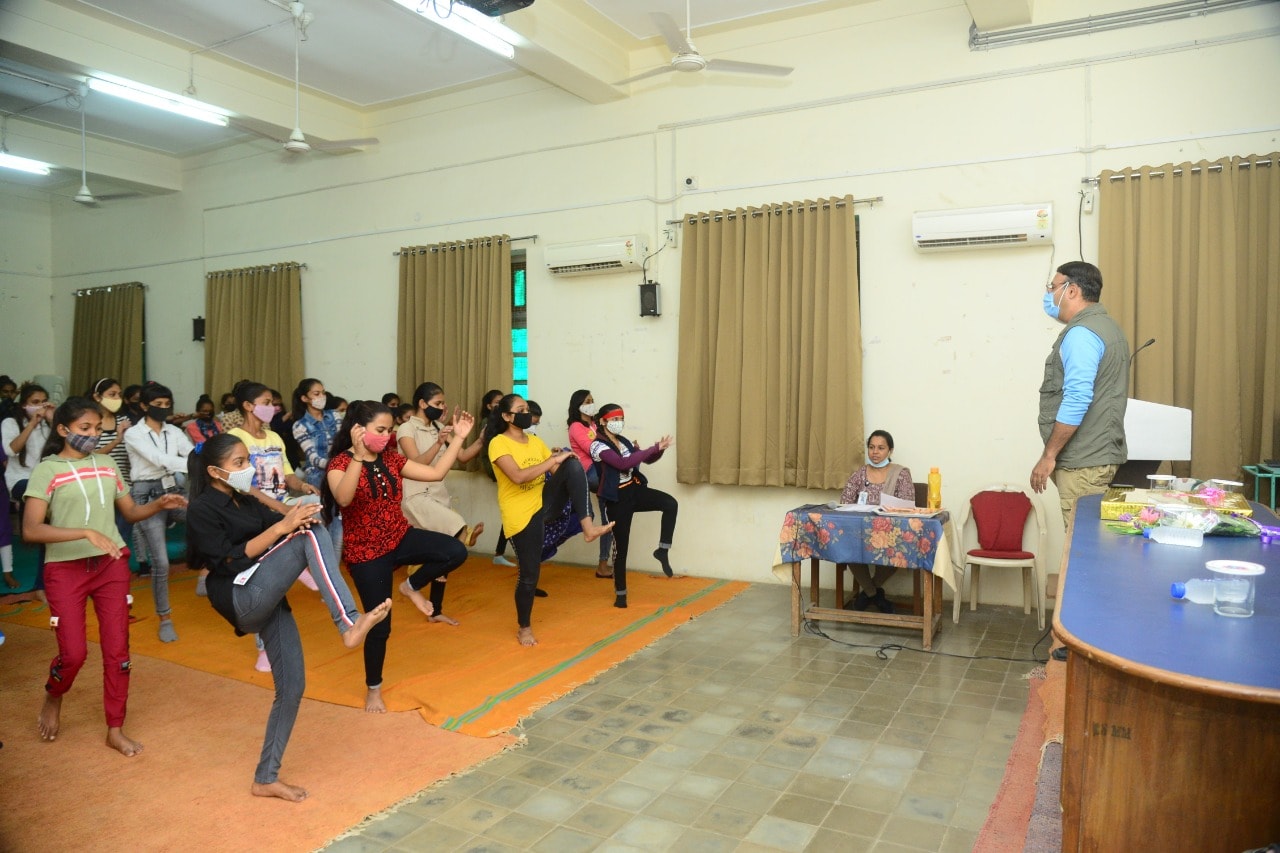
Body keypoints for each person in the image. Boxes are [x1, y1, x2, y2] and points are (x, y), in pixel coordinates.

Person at [185, 433, 390, 801]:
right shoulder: (202, 509)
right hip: (239, 596)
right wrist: (283, 527)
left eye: (247, 460)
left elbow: (281, 526)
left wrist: (299, 515)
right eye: (238, 463)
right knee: (306, 536)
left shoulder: (244, 498)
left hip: (266, 596)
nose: (247, 468)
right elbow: (228, 560)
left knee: (292, 688)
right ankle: (348, 622)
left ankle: (265, 778)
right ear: (215, 471)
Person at [23, 397, 186, 756]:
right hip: (65, 570)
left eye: (98, 428)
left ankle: (115, 728)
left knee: (118, 651)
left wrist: (158, 505)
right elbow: (31, 529)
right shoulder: (48, 470)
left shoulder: (108, 464)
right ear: (63, 430)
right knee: (74, 654)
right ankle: (54, 694)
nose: (94, 434)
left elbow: (130, 512)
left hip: (110, 565)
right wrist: (84, 533)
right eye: (85, 428)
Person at [324, 400, 474, 712]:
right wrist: (358, 457)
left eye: (389, 430)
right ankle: (374, 688)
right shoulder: (340, 463)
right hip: (367, 553)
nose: (386, 436)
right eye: (380, 430)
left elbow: (435, 473)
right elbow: (344, 498)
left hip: (399, 536)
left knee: (455, 550)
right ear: (358, 430)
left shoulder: (392, 459)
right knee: (380, 626)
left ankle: (410, 586)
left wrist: (458, 438)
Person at [486, 394, 613, 646]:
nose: (526, 413)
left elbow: (556, 472)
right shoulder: (498, 443)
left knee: (573, 465)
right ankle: (524, 627)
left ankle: (587, 527)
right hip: (521, 515)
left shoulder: (535, 441)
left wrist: (560, 460)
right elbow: (518, 477)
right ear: (507, 416)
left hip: (545, 504)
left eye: (527, 409)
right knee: (529, 575)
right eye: (521, 409)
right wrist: (551, 460)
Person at [1030, 261, 1129, 527]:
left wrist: (1048, 456)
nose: (1049, 294)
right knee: (1095, 540)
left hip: (1083, 464)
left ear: (1072, 290)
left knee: (1081, 543)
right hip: (1096, 457)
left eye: (1053, 287)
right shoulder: (1108, 327)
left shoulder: (1081, 334)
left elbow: (1077, 398)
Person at [590, 405, 678, 608]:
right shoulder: (597, 445)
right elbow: (622, 464)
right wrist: (651, 449)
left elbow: (645, 458)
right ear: (602, 421)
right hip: (616, 499)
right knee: (621, 549)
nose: (618, 422)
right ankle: (620, 594)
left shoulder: (623, 441)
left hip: (633, 490)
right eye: (614, 419)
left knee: (670, 504)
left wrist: (659, 450)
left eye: (621, 418)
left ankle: (662, 550)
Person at [123, 382, 192, 641]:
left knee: (207, 518)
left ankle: (205, 573)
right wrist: (197, 463)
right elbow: (159, 459)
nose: (163, 408)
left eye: (167, 404)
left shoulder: (174, 431)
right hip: (147, 496)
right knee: (161, 562)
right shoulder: (134, 433)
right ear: (144, 406)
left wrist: (203, 459)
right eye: (158, 404)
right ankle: (165, 618)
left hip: (174, 489)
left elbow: (191, 453)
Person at [396, 381, 484, 547]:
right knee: (458, 527)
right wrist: (438, 444)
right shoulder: (407, 428)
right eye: (438, 403)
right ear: (422, 403)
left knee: (438, 546)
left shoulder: (438, 426)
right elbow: (416, 463)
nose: (442, 407)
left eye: (443, 403)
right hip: (416, 496)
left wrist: (481, 440)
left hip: (439, 494)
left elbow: (462, 456)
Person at [838, 429, 915, 612]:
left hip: (890, 531)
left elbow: (907, 504)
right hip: (860, 531)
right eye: (871, 447)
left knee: (902, 545)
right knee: (847, 543)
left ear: (890, 450)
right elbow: (845, 502)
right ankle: (874, 594)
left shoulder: (901, 474)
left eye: (881, 448)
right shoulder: (859, 474)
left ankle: (868, 592)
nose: (875, 452)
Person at [228, 381, 317, 506]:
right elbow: (240, 485)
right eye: (267, 403)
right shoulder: (235, 437)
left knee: (318, 502)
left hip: (283, 502)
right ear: (248, 406)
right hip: (253, 507)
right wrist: (281, 508)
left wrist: (303, 486)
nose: (272, 407)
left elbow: (288, 474)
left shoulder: (274, 437)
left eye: (272, 403)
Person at [567, 389, 614, 579]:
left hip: (603, 472)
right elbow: (593, 449)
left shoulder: (595, 424)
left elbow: (609, 444)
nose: (591, 403)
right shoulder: (576, 427)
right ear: (578, 405)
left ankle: (603, 565)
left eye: (592, 400)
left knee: (608, 518)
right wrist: (613, 446)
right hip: (590, 473)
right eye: (587, 401)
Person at [87, 378, 136, 556]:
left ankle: (117, 561)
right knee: (102, 531)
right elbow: (90, 455)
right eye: (112, 394)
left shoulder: (123, 420)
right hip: (98, 484)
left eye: (119, 395)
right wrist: (116, 440)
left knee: (122, 532)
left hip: (124, 484)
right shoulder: (91, 423)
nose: (117, 398)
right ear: (97, 397)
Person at [2, 383, 54, 504]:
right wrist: (32, 424)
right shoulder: (10, 423)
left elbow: (61, 448)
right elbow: (11, 451)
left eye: (44, 402)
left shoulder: (48, 424)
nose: (40, 406)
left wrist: (52, 420)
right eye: (35, 402)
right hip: (20, 478)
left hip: (46, 478)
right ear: (24, 405)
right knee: (37, 491)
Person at [289, 378, 340, 493]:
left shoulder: (335, 415)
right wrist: (337, 464)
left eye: (323, 393)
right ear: (304, 398)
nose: (322, 397)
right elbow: (313, 458)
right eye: (317, 394)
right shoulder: (299, 426)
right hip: (318, 475)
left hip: (340, 470)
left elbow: (343, 442)